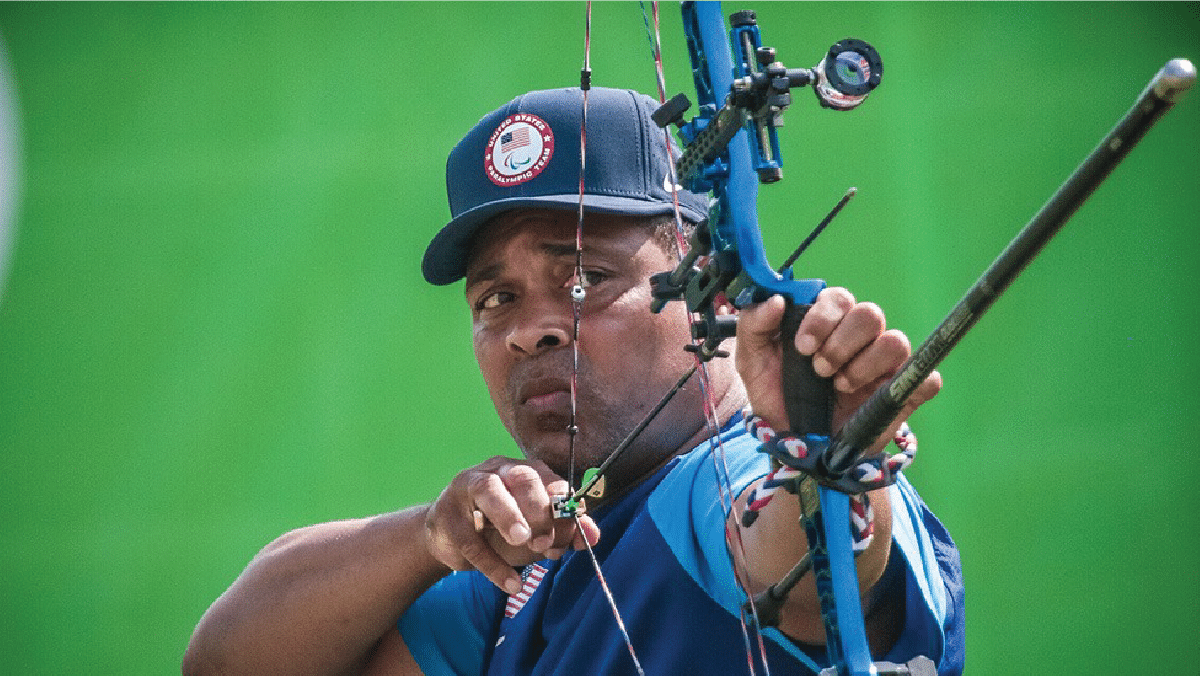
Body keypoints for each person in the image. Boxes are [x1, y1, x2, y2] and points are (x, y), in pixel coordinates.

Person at [183, 87, 964, 675]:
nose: (532, 328)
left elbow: (800, 566)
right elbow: (225, 664)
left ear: (714, 296)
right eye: (497, 299)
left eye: (586, 277)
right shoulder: (536, 566)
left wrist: (821, 458)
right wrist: (430, 536)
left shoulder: (719, 484)